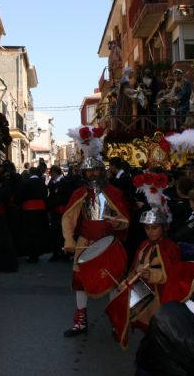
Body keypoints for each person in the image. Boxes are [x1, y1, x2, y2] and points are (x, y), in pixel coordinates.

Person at [61, 131, 130, 337]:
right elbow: (68, 218)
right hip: (85, 242)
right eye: (88, 171)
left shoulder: (114, 193)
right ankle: (81, 321)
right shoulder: (78, 194)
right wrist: (68, 239)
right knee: (79, 282)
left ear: (102, 171)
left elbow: (125, 220)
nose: (92, 174)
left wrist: (116, 223)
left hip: (109, 243)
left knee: (112, 281)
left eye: (95, 171)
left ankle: (115, 322)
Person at [130, 206, 181, 329]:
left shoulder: (170, 248)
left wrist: (152, 274)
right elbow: (134, 267)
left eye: (154, 228)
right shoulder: (144, 244)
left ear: (163, 228)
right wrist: (128, 282)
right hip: (142, 292)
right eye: (147, 228)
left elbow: (174, 275)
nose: (150, 232)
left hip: (160, 295)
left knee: (156, 328)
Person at [16, 167, 49, 263]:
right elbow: (45, 196)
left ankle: (32, 255)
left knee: (30, 233)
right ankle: (38, 253)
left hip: (28, 212)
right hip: (41, 212)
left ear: (30, 173)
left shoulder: (25, 183)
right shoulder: (42, 184)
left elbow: (19, 197)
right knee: (39, 233)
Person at [47, 165, 72, 262]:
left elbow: (67, 197)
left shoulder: (65, 182)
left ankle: (65, 253)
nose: (51, 175)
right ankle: (56, 252)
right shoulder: (52, 183)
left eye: (52, 173)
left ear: (55, 173)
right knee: (55, 233)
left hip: (63, 212)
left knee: (64, 233)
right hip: (55, 212)